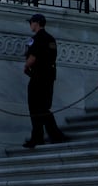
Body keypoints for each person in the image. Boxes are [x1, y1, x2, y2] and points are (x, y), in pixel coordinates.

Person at [22, 13, 68, 148]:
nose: (30, 25)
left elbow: (32, 57)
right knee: (44, 107)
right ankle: (54, 135)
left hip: (37, 77)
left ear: (36, 23)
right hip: (49, 77)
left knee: (35, 108)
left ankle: (39, 137)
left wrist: (26, 66)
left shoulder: (36, 39)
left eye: (31, 22)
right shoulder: (51, 39)